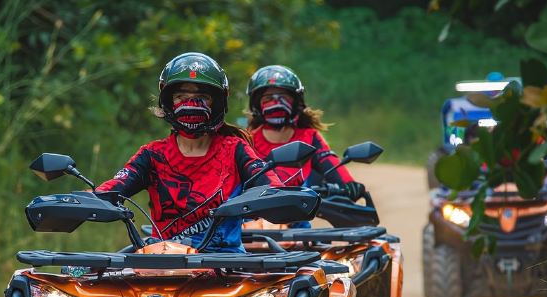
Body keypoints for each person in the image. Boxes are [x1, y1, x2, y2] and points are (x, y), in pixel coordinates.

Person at [95, 52, 281, 253]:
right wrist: (83, 201)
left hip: (226, 265)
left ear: (217, 102)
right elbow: (112, 189)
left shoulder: (234, 149)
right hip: (161, 264)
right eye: (181, 97)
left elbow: (271, 187)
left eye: (202, 97)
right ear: (169, 102)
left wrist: (278, 198)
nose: (191, 104)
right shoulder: (152, 155)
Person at [246, 65, 365, 198]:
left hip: (299, 214)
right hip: (254, 216)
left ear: (296, 102)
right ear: (256, 104)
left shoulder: (309, 137)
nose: (276, 103)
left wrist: (348, 183)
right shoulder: (247, 142)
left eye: (283, 97)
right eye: (268, 98)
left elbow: (328, 160)